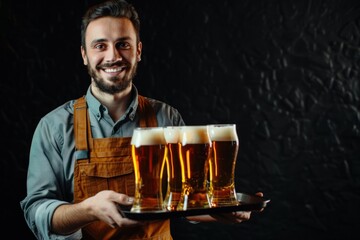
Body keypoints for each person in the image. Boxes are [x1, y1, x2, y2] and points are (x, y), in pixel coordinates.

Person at [20, 0, 263, 239]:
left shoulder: (166, 116)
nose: (113, 56)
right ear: (84, 55)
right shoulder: (55, 127)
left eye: (123, 44)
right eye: (100, 46)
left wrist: (225, 212)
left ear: (138, 51)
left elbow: (185, 200)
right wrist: (88, 209)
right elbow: (37, 213)